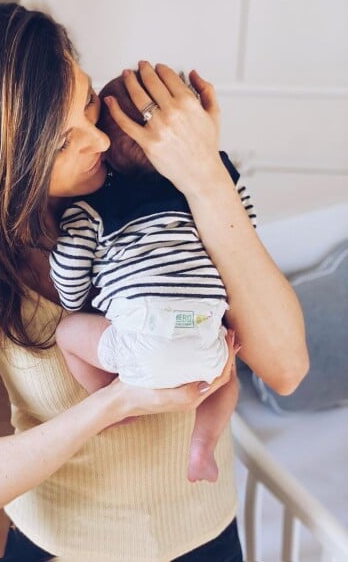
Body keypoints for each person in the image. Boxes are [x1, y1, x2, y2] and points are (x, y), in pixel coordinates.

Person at [0, 2, 309, 562]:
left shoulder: (158, 194)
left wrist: (206, 177)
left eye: (87, 101)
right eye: (63, 142)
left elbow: (287, 369)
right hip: (60, 546)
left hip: (207, 537)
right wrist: (113, 404)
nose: (102, 142)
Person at [50, 72, 254, 484]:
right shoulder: (214, 179)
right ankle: (202, 445)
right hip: (206, 335)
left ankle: (109, 401)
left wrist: (78, 305)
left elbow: (71, 277)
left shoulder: (95, 203)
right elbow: (246, 231)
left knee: (67, 331)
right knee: (228, 379)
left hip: (140, 338)